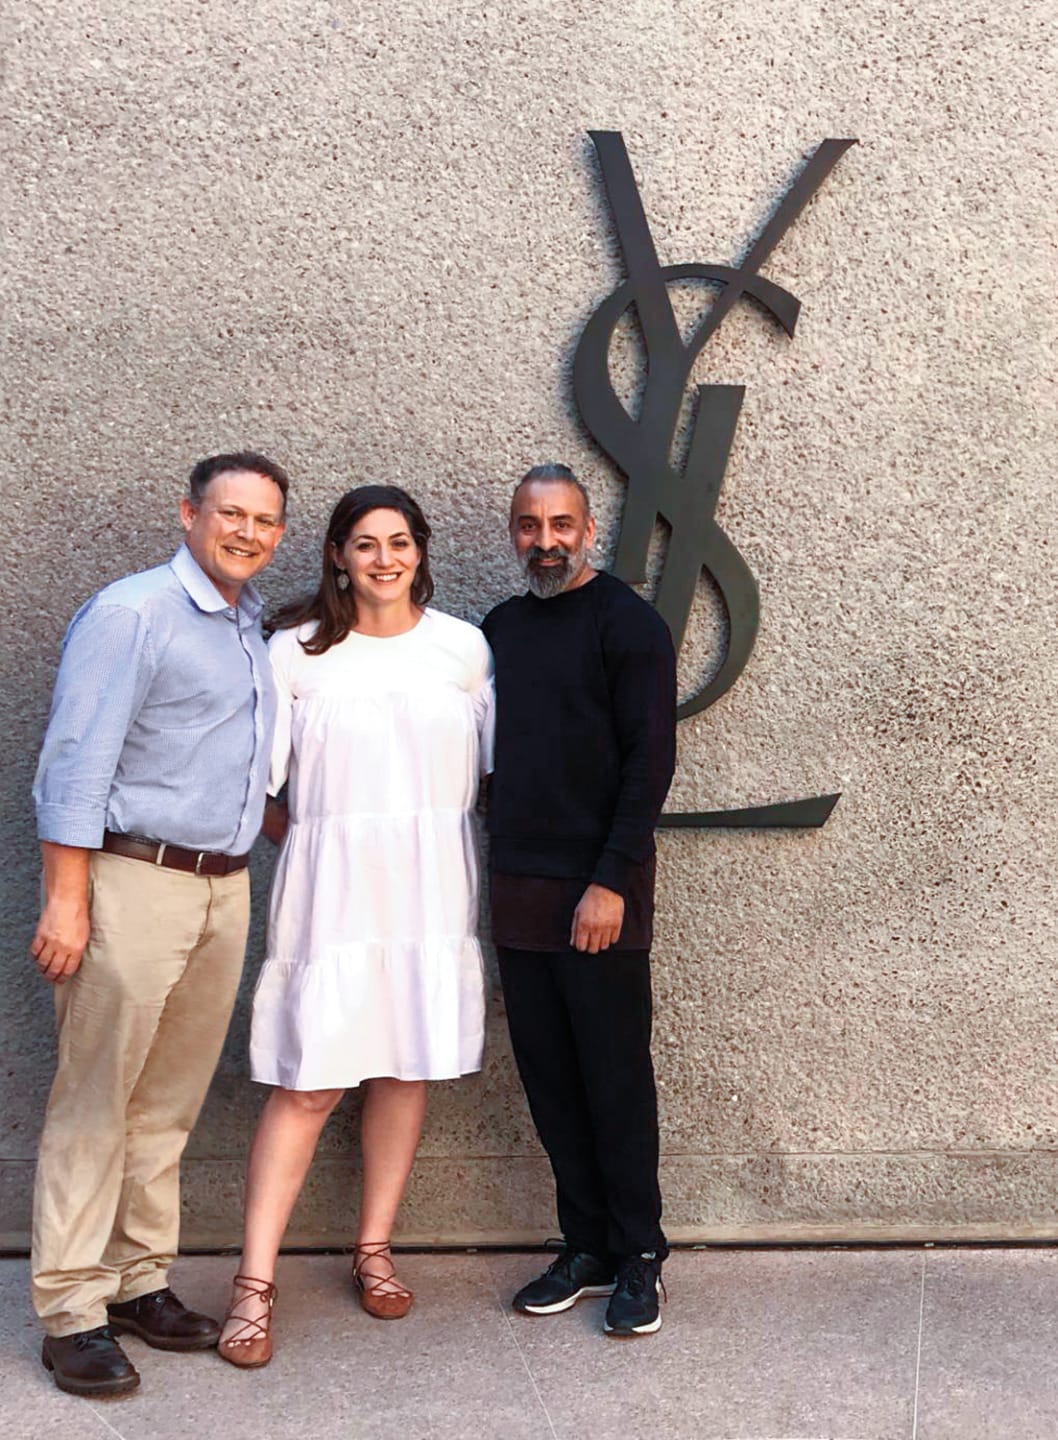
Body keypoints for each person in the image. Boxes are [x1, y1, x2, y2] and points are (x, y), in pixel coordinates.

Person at [29, 451, 290, 1397]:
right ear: (189, 514)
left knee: (167, 1102)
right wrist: (67, 899)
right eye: (231, 513)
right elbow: (74, 763)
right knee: (96, 1098)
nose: (247, 532)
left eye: (265, 520)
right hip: (134, 882)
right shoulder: (133, 613)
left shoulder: (247, 622)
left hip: (221, 888)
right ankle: (71, 1310)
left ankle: (138, 1280)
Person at [218, 484, 493, 1368]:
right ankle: (253, 1285)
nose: (384, 558)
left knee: (404, 1068)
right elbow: (254, 781)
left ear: (420, 551)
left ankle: (374, 1249)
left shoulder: (463, 648)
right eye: (366, 543)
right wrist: (313, 841)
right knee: (308, 1084)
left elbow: (489, 772)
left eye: (399, 541)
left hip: (429, 887)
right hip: (333, 893)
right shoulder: (295, 652)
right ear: (338, 555)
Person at [482, 462, 677, 1337]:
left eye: (562, 524)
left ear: (589, 530)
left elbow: (650, 762)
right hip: (520, 889)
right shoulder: (501, 629)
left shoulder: (629, 625)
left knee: (614, 1077)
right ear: (514, 533)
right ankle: (587, 1246)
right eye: (530, 526)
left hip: (601, 890)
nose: (547, 541)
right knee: (551, 1078)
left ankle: (640, 1254)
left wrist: (610, 881)